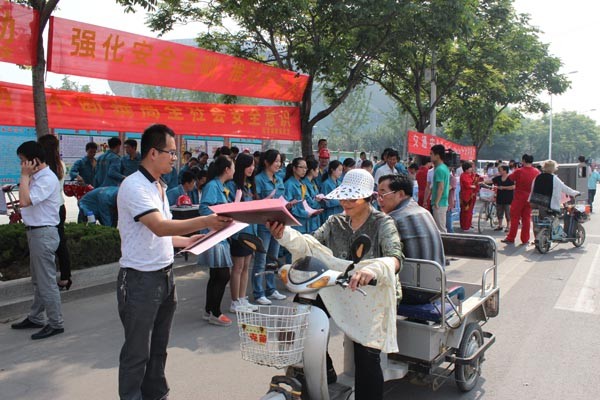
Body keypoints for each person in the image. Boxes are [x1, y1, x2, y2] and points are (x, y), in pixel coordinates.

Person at [116, 124, 232, 400]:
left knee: (158, 348)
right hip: (140, 280)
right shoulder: (134, 186)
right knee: (137, 352)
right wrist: (205, 221)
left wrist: (190, 241)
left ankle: (156, 394)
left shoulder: (158, 185)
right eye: (170, 152)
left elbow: (163, 235)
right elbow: (159, 226)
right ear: (153, 153)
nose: (175, 158)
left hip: (164, 276)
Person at [267, 168, 403, 400]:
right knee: (304, 313)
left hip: (371, 294)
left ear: (367, 198)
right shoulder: (335, 221)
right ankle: (323, 369)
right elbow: (310, 244)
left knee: (366, 356)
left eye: (352, 198)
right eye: (343, 197)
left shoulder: (383, 223)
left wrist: (372, 269)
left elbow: (396, 257)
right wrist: (284, 235)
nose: (345, 203)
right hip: (337, 286)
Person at [11, 141, 64, 340]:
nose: (22, 165)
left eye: (23, 160)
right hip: (36, 233)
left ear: (33, 160)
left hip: (43, 234)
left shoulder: (47, 179)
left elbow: (25, 201)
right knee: (39, 280)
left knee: (46, 282)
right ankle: (35, 317)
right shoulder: (37, 177)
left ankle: (56, 323)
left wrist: (24, 176)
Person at [197, 155, 236, 326]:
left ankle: (209, 310)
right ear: (227, 169)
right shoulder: (213, 186)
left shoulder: (220, 186)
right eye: (233, 167)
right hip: (214, 235)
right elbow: (204, 208)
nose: (234, 170)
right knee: (223, 274)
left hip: (220, 234)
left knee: (216, 275)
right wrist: (220, 216)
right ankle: (215, 312)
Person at [377, 174, 445, 267]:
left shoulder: (392, 220)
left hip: (411, 275)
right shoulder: (424, 212)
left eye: (382, 195)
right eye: (377, 195)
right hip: (436, 274)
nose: (379, 200)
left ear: (401, 194)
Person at [252, 149, 288, 305]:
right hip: (263, 223)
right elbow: (256, 202)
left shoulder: (279, 179)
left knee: (273, 258)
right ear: (267, 162)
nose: (279, 164)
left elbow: (282, 198)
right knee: (261, 259)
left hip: (277, 222)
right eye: (276, 161)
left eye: (280, 161)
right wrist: (267, 199)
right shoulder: (258, 179)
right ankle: (258, 292)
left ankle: (271, 289)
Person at [225, 153, 259, 313]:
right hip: (238, 232)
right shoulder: (232, 186)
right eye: (249, 165)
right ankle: (235, 301)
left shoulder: (249, 185)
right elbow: (229, 208)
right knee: (238, 267)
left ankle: (242, 298)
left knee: (246, 266)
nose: (252, 168)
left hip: (251, 229)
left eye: (253, 165)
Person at [38, 134, 72, 291]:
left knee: (47, 244)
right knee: (60, 243)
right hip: (59, 206)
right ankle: (65, 276)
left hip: (47, 209)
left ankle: (51, 279)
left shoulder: (43, 168)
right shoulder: (60, 165)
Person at [529, 160, 579, 237]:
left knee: (536, 222)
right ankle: (557, 235)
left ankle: (537, 238)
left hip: (534, 203)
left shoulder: (537, 177)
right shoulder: (554, 178)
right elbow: (564, 188)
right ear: (553, 168)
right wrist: (575, 193)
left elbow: (532, 189)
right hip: (545, 204)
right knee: (551, 219)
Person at [502, 154, 540, 245]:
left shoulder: (519, 171)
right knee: (526, 219)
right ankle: (525, 239)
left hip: (519, 197)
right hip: (530, 198)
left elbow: (510, 178)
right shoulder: (537, 172)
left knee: (515, 218)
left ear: (523, 160)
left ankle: (511, 237)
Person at [284, 157, 311, 233]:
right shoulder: (289, 184)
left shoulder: (302, 183)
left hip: (305, 222)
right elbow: (289, 206)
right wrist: (304, 213)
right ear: (294, 168)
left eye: (305, 168)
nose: (304, 170)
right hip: (295, 222)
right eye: (301, 167)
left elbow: (306, 200)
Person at [430, 144, 450, 232]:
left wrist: (436, 202)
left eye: (431, 154)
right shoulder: (444, 167)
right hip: (442, 202)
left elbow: (441, 187)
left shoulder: (439, 169)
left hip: (439, 203)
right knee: (440, 228)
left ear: (437, 156)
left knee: (441, 230)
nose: (430, 156)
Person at [302, 157, 324, 233]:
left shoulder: (313, 183)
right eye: (317, 169)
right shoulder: (304, 184)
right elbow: (308, 203)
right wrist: (317, 200)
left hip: (315, 218)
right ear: (312, 170)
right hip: (308, 219)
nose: (318, 171)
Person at [491, 165, 514, 232]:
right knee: (499, 212)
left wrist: (503, 187)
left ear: (505, 170)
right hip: (499, 197)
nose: (499, 171)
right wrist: (482, 182)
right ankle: (500, 225)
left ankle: (508, 226)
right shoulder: (498, 178)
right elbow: (491, 181)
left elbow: (513, 187)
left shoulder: (510, 178)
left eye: (500, 170)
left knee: (508, 213)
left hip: (508, 198)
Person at [459, 162, 479, 232]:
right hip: (466, 196)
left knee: (469, 211)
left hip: (471, 195)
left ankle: (468, 224)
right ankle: (465, 226)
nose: (472, 169)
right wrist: (474, 186)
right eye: (471, 167)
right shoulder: (464, 175)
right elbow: (468, 185)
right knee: (466, 211)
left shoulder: (470, 175)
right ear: (466, 169)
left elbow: (475, 181)